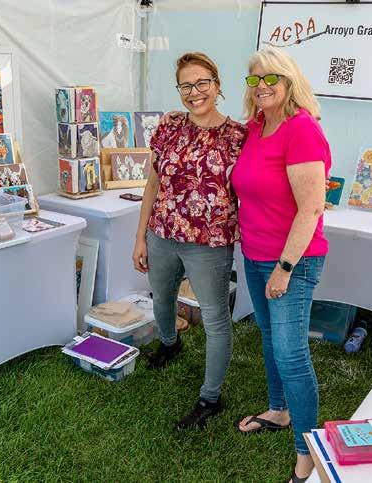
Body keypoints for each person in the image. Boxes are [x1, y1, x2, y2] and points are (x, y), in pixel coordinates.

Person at [231, 47, 331, 483]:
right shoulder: (257, 127)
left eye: (271, 77)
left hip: (292, 260)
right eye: (255, 79)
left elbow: (311, 208)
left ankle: (308, 453)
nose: (262, 86)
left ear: (290, 81)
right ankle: (278, 410)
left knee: (291, 354)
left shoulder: (301, 129)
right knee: (270, 338)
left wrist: (285, 267)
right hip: (255, 254)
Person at [132, 52, 247, 430]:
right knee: (161, 298)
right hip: (161, 233)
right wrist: (140, 237)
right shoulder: (168, 126)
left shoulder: (238, 136)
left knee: (215, 318)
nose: (194, 92)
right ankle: (170, 343)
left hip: (209, 244)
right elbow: (153, 184)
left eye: (202, 83)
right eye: (186, 86)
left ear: (217, 85)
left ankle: (210, 398)